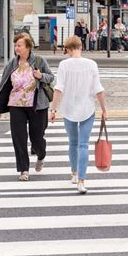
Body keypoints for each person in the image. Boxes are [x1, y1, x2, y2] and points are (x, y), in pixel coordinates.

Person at [0, 33, 54, 181]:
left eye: (19, 45)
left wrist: (40, 76)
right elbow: (3, 84)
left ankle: (41, 154)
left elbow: (51, 77)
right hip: (16, 105)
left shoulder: (39, 61)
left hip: (37, 106)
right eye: (15, 45)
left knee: (37, 138)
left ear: (28, 47)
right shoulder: (12, 63)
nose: (16, 48)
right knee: (18, 138)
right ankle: (23, 170)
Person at [49, 36, 107, 194]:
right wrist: (104, 109)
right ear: (81, 47)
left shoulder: (64, 65)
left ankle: (74, 173)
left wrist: (53, 110)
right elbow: (98, 89)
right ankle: (81, 180)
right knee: (83, 144)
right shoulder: (91, 64)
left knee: (73, 143)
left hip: (68, 109)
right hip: (87, 108)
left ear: (67, 49)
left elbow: (58, 89)